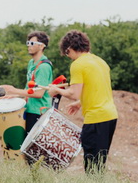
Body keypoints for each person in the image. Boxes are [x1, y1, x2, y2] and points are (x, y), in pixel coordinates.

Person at [48, 30, 118, 173]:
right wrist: (80, 103)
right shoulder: (100, 61)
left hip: (96, 118)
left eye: (66, 53)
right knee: (100, 162)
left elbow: (74, 93)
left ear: (69, 48)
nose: (68, 57)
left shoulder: (78, 64)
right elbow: (98, 88)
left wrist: (57, 90)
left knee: (92, 165)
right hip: (110, 116)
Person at [1, 31, 53, 135]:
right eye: (28, 43)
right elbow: (29, 89)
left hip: (39, 112)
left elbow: (39, 93)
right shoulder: (31, 63)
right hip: (29, 109)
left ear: (42, 46)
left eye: (32, 43)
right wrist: (17, 96)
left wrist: (13, 90)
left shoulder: (44, 67)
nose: (29, 46)